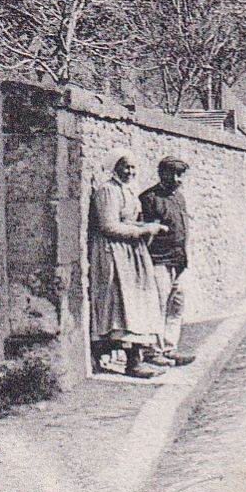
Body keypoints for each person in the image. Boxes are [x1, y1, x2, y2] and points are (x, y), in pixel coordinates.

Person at [88, 152, 167, 379]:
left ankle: (137, 358)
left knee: (137, 302)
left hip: (132, 251)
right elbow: (108, 226)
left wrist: (147, 226)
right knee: (120, 304)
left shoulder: (129, 191)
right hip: (114, 251)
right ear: (115, 167)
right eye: (126, 167)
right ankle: (127, 362)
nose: (130, 172)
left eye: (133, 168)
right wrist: (143, 230)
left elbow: (130, 221)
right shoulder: (107, 191)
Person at [139, 156, 196, 367]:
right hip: (159, 261)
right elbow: (145, 230)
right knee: (158, 306)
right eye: (172, 173)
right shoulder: (149, 198)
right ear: (162, 174)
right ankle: (153, 351)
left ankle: (170, 348)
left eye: (180, 174)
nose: (177, 179)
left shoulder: (179, 198)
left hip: (179, 261)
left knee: (177, 306)